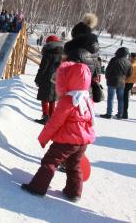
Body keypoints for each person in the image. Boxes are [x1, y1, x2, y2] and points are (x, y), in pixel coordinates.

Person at [21, 61, 95, 202]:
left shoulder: (68, 101)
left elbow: (54, 122)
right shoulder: (87, 99)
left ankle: (37, 187)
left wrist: (43, 137)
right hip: (82, 142)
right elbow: (90, 121)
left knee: (50, 161)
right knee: (74, 165)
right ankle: (74, 192)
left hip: (66, 140)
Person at [64, 13, 101, 95]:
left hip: (74, 90)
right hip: (88, 89)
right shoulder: (95, 48)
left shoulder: (75, 52)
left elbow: (65, 73)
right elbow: (97, 68)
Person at [34, 35, 63, 124]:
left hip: (47, 78)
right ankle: (51, 118)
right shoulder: (63, 53)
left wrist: (38, 79)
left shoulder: (48, 52)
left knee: (45, 98)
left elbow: (43, 67)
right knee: (53, 98)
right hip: (58, 78)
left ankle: (45, 117)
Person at [100, 47, 132, 119]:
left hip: (112, 81)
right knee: (120, 98)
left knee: (110, 98)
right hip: (122, 82)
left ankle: (109, 114)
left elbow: (108, 70)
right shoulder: (128, 62)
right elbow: (130, 74)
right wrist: (124, 78)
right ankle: (120, 114)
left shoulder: (114, 59)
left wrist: (107, 77)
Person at [122, 52, 136, 118]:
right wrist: (134, 81)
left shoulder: (131, 64)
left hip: (126, 82)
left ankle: (124, 113)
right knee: (125, 97)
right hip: (130, 83)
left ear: (132, 57)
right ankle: (124, 112)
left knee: (124, 97)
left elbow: (126, 74)